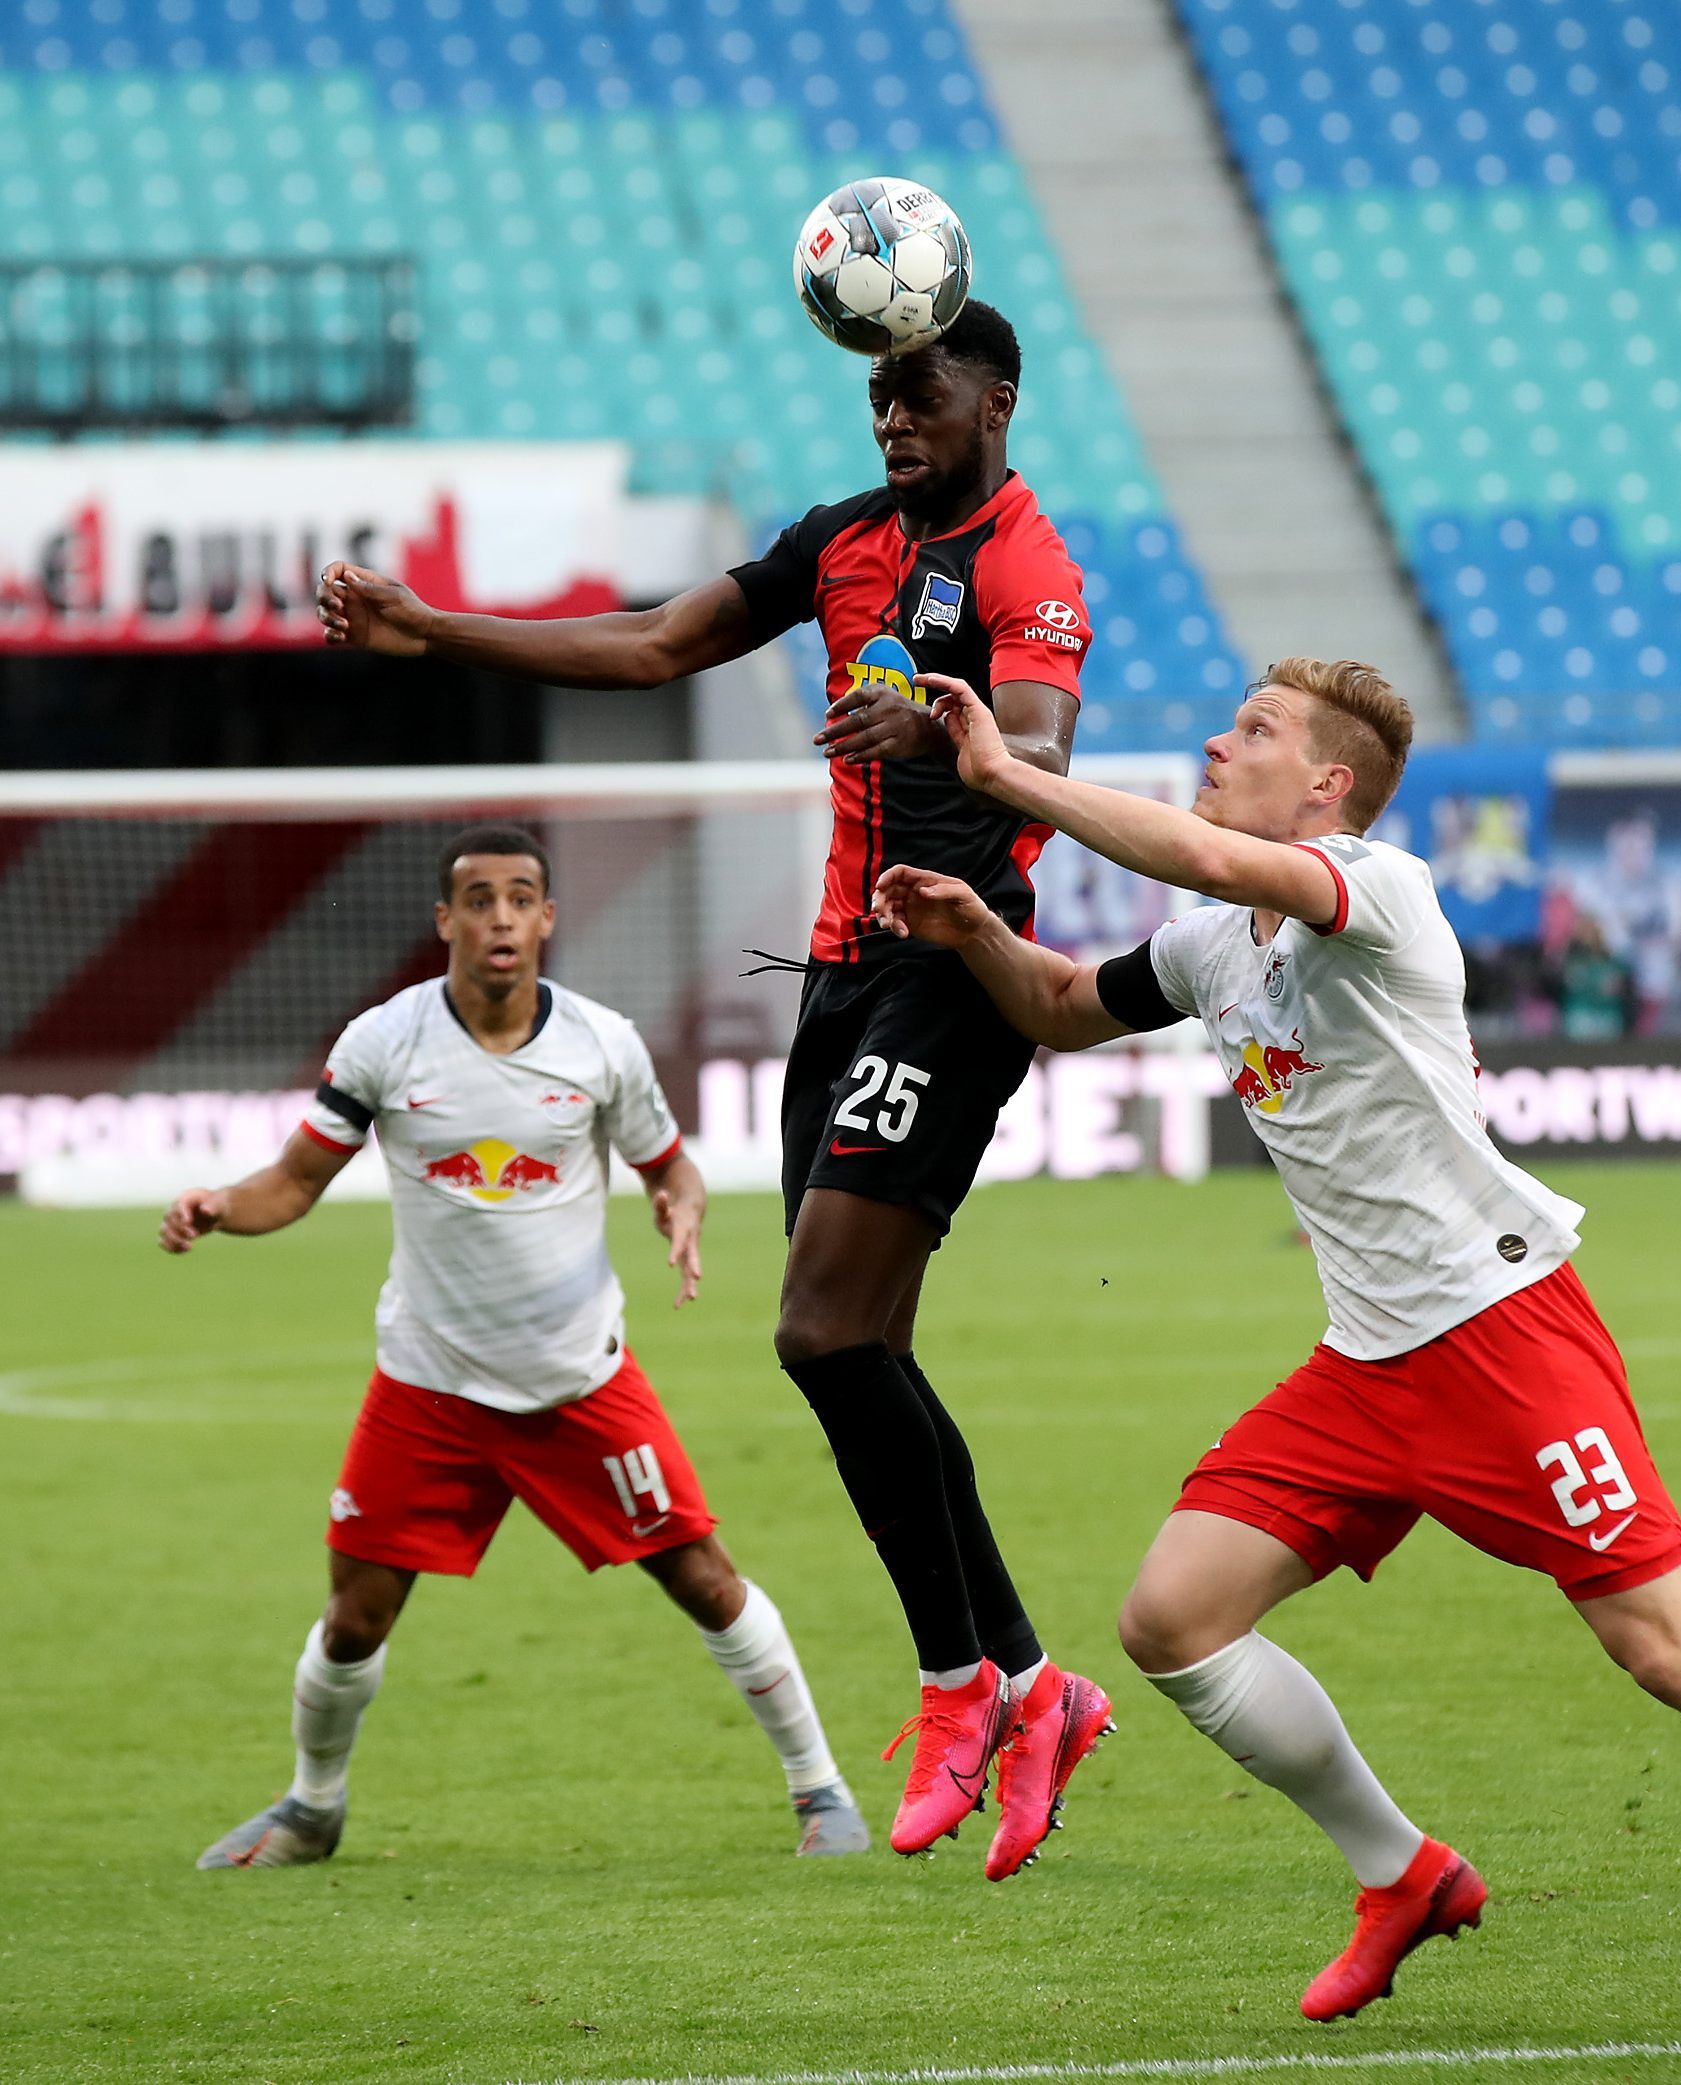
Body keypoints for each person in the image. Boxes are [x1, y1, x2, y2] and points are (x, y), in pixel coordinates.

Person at [871, 660, 1681, 2033]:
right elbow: (1061, 1008)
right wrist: (969, 934)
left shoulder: (1379, 886)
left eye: (1255, 732)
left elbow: (1194, 845)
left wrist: (1004, 779)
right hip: (1367, 1362)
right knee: (1171, 1619)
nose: (1216, 742)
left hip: (1500, 1335)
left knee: (1669, 1650)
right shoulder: (1208, 941)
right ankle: (1400, 1872)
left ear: (1329, 788)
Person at [313, 304, 1109, 1873]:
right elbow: (660, 642)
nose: (891, 418)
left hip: (957, 969)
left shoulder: (1030, 566)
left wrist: (936, 731)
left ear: (997, 399)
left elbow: (1038, 748)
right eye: (878, 394)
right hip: (838, 982)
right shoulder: (841, 542)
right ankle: (1031, 1679)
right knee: (858, 1343)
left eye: (921, 391)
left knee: (817, 1327)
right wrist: (440, 629)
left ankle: (965, 1685)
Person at [164, 826, 868, 1866]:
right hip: (428, 1385)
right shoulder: (384, 1042)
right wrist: (221, 1205)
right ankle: (311, 1809)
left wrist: (680, 1210)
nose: (500, 917)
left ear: (545, 917)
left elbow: (668, 1166)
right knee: (354, 1616)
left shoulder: (599, 1044)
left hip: (577, 1379)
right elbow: (294, 1181)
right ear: (445, 921)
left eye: (520, 898)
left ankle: (821, 1795)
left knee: (705, 1580)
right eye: (478, 900)